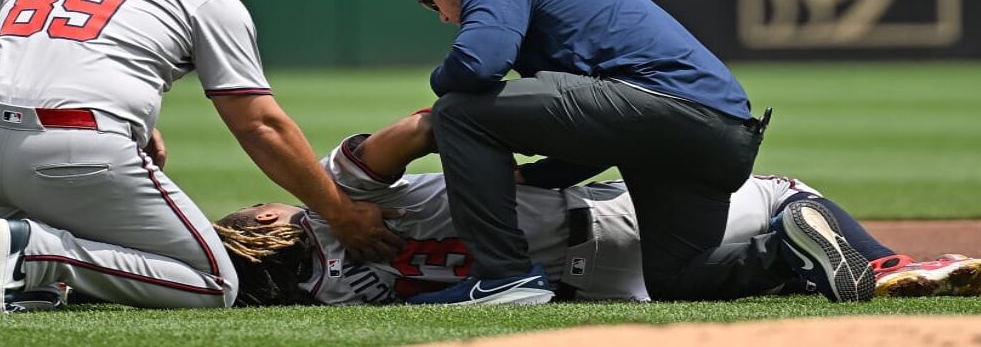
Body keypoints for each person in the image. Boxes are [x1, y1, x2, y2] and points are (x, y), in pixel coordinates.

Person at [0, 0, 399, 313]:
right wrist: (339, 213)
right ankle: (42, 256)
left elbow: (1, 43)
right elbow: (259, 124)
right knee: (215, 283)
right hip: (69, 156)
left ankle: (27, 268)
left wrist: (131, 117)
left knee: (42, 197)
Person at [400, 0, 873, 305]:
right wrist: (539, 177)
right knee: (678, 280)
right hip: (721, 136)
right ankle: (789, 246)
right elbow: (597, 134)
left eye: (429, 1)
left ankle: (504, 278)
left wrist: (439, 84)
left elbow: (480, 63)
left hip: (661, 106)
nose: (442, 16)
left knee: (458, 110)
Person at [211, 111, 981, 306]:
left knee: (721, 281)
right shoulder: (338, 202)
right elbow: (425, 124)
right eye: (260, 208)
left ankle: (798, 262)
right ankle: (875, 262)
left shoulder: (325, 290)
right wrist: (494, 141)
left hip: (590, 284)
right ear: (274, 223)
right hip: (596, 218)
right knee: (787, 194)